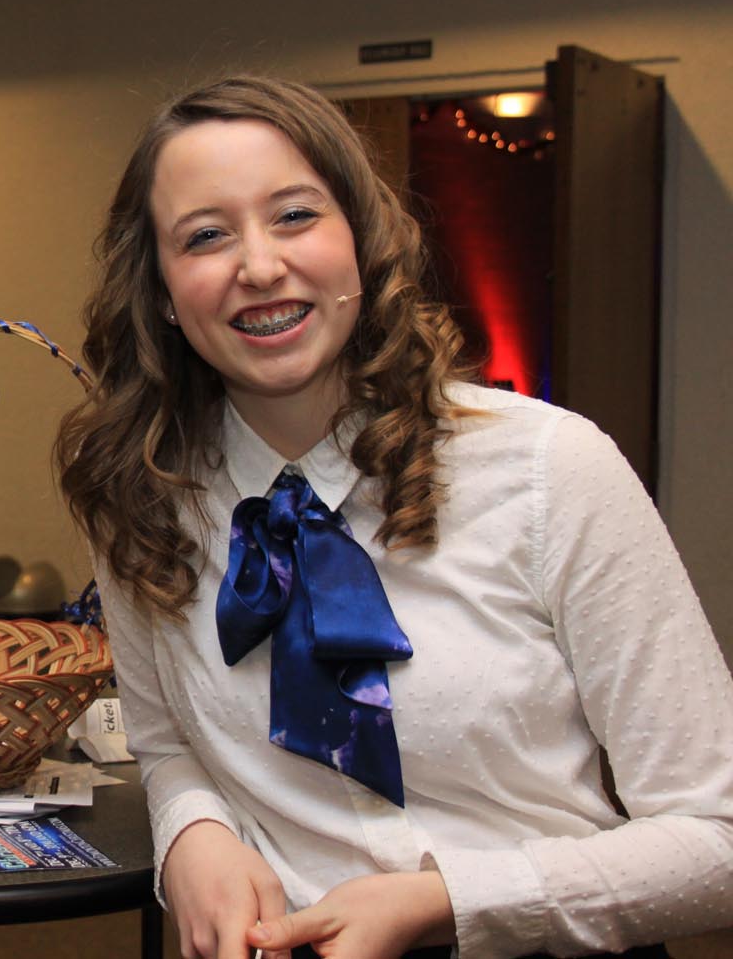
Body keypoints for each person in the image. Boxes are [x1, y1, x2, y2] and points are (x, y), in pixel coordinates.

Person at [55, 76, 733, 959]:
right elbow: (163, 739)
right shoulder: (141, 491)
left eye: (295, 215)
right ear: (160, 289)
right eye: (206, 236)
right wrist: (192, 829)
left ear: (363, 240)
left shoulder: (548, 467)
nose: (259, 266)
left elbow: (717, 837)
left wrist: (447, 900)